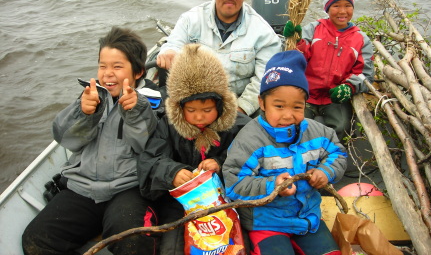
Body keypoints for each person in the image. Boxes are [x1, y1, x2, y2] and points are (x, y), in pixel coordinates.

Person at [22, 27, 160, 255]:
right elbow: (66, 140)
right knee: (37, 240)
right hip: (82, 187)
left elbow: (146, 146)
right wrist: (83, 113)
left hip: (129, 188)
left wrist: (135, 112)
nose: (107, 74)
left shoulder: (153, 102)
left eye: (117, 66)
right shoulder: (91, 97)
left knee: (132, 240)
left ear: (138, 72)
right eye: (102, 66)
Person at [223, 50, 347, 255]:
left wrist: (326, 171)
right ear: (262, 103)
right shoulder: (249, 140)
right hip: (266, 224)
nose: (288, 115)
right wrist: (273, 186)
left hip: (308, 219)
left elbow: (338, 154)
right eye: (279, 106)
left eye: (297, 107)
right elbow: (234, 185)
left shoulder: (318, 133)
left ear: (305, 105)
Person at [138, 43, 251, 254]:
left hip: (225, 199)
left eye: (207, 110)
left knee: (240, 244)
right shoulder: (167, 126)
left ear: (220, 105)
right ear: (179, 107)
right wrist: (172, 173)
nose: (199, 116)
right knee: (171, 247)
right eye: (191, 110)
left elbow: (251, 154)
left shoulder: (239, 125)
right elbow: (149, 161)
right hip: (179, 204)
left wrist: (220, 163)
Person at [156, 0, 282, 117]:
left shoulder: (263, 33)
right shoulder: (191, 19)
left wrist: (241, 109)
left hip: (238, 106)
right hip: (194, 105)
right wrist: (169, 52)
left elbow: (264, 78)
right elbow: (174, 43)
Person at [284, 0, 374, 142]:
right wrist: (295, 40)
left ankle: (331, 160)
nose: (342, 11)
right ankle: (298, 158)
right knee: (295, 125)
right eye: (336, 6)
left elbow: (365, 74)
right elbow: (297, 59)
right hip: (306, 94)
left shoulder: (361, 39)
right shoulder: (314, 29)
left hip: (334, 98)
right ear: (327, 8)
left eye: (348, 5)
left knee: (341, 127)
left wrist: (349, 87)